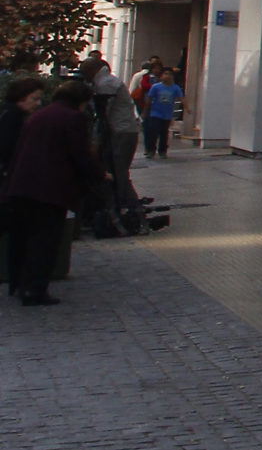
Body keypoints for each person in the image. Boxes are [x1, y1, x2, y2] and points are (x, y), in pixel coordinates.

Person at [5, 79, 102, 304]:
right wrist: (97, 175)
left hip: (22, 185)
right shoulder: (73, 118)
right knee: (45, 239)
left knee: (23, 236)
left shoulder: (38, 115)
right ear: (80, 101)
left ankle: (18, 283)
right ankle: (34, 290)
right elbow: (80, 154)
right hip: (50, 189)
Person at [83, 57, 142, 208]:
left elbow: (103, 112)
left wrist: (96, 139)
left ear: (92, 69)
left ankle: (126, 204)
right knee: (117, 169)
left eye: (84, 70)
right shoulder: (105, 81)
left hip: (121, 130)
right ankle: (126, 202)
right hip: (122, 129)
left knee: (118, 170)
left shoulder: (106, 83)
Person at [0, 76, 42, 191]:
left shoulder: (6, 111)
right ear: (21, 96)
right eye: (34, 99)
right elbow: (7, 147)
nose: (38, 103)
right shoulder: (13, 117)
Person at [140, 67, 183, 160]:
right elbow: (149, 99)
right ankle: (151, 150)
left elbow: (181, 98)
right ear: (161, 76)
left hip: (167, 115)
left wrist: (187, 108)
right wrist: (144, 112)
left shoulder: (175, 88)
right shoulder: (156, 87)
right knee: (153, 132)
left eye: (170, 74)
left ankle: (162, 151)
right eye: (165, 74)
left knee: (164, 133)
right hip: (155, 113)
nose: (168, 76)